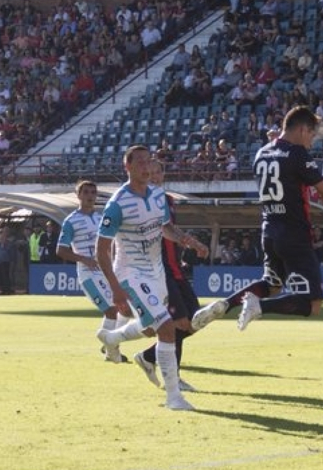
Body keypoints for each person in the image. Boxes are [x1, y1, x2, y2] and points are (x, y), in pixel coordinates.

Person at [191, 106, 323, 332]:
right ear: (301, 130)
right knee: (313, 303)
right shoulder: (297, 154)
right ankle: (258, 306)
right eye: (311, 134)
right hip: (294, 233)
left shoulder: (261, 153)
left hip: (269, 230)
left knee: (271, 284)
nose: (311, 141)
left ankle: (226, 303)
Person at [95, 145, 209, 411]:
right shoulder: (117, 203)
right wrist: (115, 288)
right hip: (130, 273)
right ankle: (174, 397)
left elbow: (165, 227)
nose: (146, 168)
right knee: (167, 327)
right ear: (128, 167)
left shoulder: (158, 196)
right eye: (140, 163)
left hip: (156, 272)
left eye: (150, 162)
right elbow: (101, 249)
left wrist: (187, 240)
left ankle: (111, 338)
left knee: (150, 328)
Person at [132, 160, 207, 392]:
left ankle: (149, 357)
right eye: (149, 172)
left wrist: (191, 244)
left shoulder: (168, 201)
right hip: (160, 272)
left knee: (194, 320)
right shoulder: (141, 201)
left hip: (176, 269)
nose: (153, 176)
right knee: (180, 322)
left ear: (163, 175)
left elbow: (170, 232)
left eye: (157, 172)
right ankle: (171, 377)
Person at [57, 180, 144, 363]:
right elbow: (61, 250)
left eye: (93, 193)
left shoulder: (100, 219)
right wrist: (84, 259)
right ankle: (112, 352)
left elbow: (110, 243)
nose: (90, 196)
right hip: (88, 275)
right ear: (79, 195)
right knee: (112, 310)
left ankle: (108, 344)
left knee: (125, 310)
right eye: (86, 192)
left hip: (106, 271)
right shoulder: (71, 221)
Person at [0, 228, 16, 295]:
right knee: (0, 277)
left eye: (2, 236)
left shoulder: (9, 244)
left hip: (6, 263)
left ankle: (7, 290)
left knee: (6, 277)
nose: (1, 238)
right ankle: (2, 290)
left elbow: (10, 253)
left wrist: (4, 246)